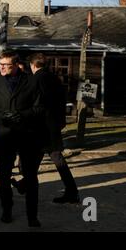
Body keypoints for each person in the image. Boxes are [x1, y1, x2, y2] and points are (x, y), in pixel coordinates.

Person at [0, 50, 44, 227]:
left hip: (27, 134)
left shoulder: (32, 81)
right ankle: (7, 210)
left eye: (6, 65)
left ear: (17, 65)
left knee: (31, 177)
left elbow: (40, 107)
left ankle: (32, 216)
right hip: (4, 134)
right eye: (0, 65)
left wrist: (22, 115)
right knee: (3, 177)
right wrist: (1, 118)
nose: (2, 68)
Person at [11, 53, 79, 204]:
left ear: (32, 65)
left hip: (40, 127)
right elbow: (61, 102)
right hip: (53, 125)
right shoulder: (55, 79)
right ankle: (24, 185)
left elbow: (35, 105)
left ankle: (72, 192)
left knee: (54, 159)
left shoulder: (35, 79)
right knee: (42, 158)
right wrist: (61, 122)